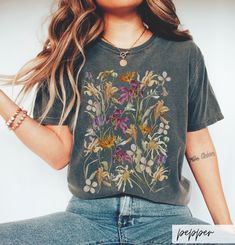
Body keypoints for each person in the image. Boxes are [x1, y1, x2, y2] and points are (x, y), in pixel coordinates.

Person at [0, 0, 233, 244]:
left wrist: (225, 230)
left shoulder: (184, 52)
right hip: (87, 221)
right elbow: (58, 154)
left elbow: (200, 147)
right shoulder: (68, 56)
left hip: (169, 222)